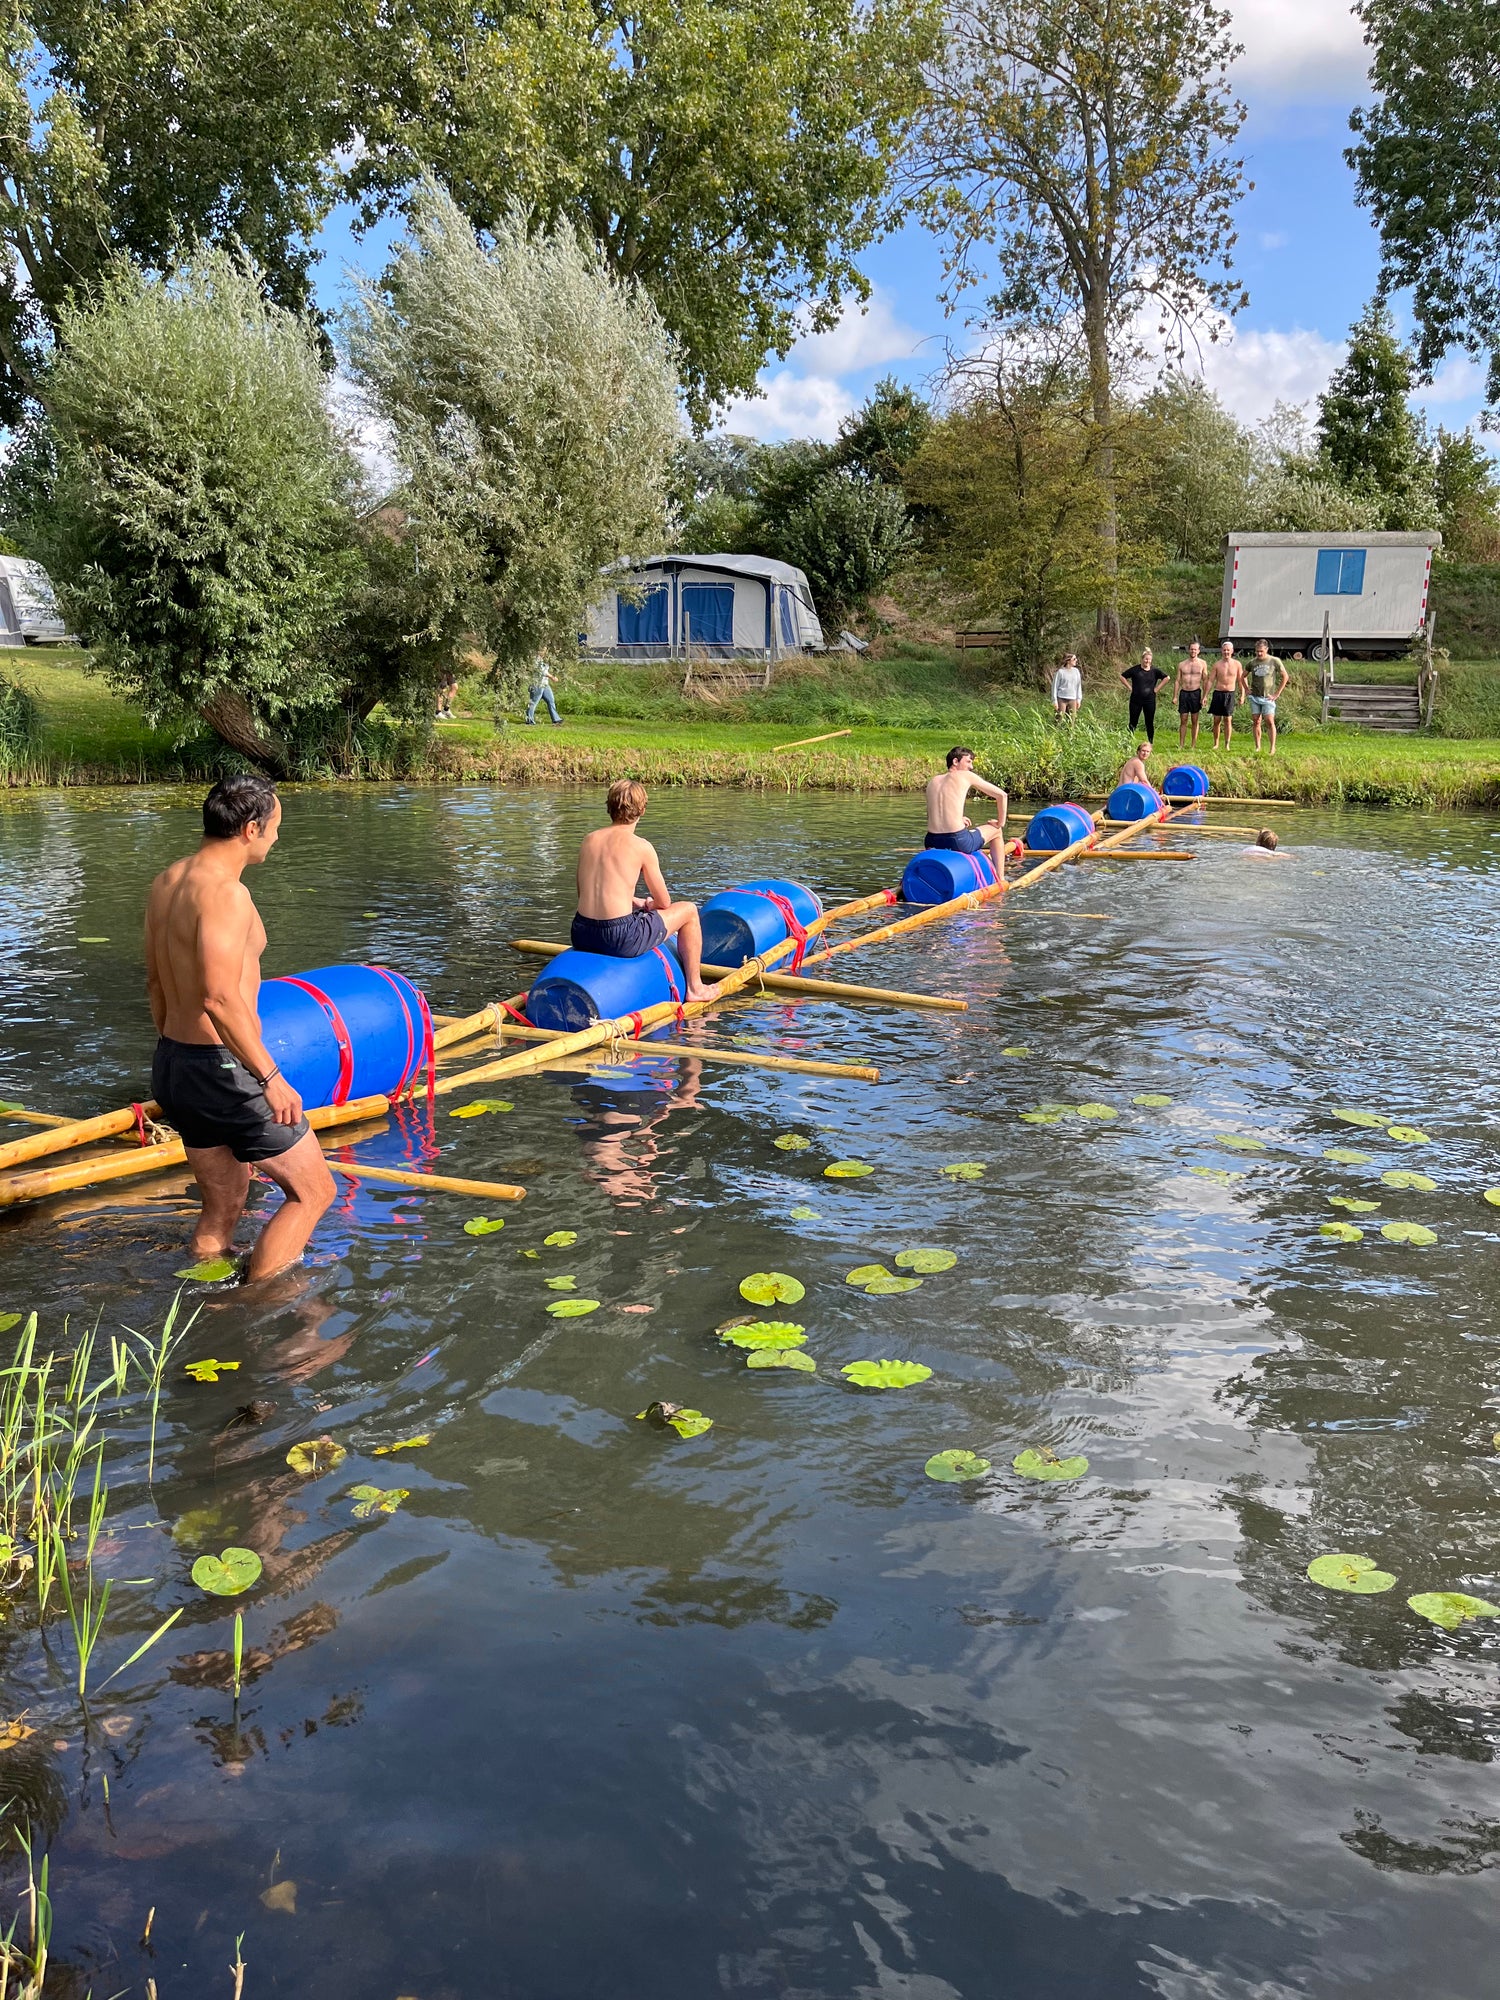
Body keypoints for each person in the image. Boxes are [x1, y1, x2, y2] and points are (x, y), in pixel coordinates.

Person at [143, 776, 335, 1284]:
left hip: (176, 1061)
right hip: (224, 1069)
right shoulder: (226, 894)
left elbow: (156, 983)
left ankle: (212, 1310)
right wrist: (271, 1077)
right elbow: (220, 998)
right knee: (314, 1193)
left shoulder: (168, 882)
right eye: (274, 829)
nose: (276, 839)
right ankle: (260, 1310)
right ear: (251, 829)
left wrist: (178, 1055)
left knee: (224, 1205)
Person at [572, 779, 711, 1001]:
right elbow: (664, 903)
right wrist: (647, 904)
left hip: (581, 933)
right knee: (689, 911)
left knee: (633, 912)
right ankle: (696, 988)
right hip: (620, 939)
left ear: (609, 806)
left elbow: (584, 894)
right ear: (642, 809)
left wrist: (631, 901)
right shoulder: (641, 847)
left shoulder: (589, 840)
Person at [924, 746, 1008, 883]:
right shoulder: (966, 776)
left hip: (931, 841)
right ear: (955, 761)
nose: (971, 767)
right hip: (957, 841)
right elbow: (1002, 795)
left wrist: (958, 819)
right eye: (968, 762)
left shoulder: (933, 781)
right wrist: (1000, 823)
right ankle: (1000, 880)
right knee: (997, 832)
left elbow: (932, 814)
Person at [1246, 640, 1289, 755]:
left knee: (1269, 721)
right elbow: (1242, 676)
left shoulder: (1274, 661)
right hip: (1255, 696)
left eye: (1261, 651)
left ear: (1266, 650)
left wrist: (1277, 693)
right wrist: (1246, 688)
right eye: (1257, 651)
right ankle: (1257, 746)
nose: (1259, 654)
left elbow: (1285, 676)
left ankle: (1272, 747)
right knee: (1256, 721)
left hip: (1268, 697)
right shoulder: (1252, 662)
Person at [1119, 648, 1170, 744]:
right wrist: (1130, 688)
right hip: (1135, 700)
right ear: (1142, 659)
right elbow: (1122, 677)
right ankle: (1128, 741)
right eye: (1146, 659)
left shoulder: (1154, 671)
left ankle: (1150, 742)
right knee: (1133, 721)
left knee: (1149, 722)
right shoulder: (1135, 670)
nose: (1147, 661)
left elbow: (1167, 678)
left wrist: (1157, 689)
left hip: (1149, 700)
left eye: (1149, 659)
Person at [1208, 641, 1244, 750]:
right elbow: (1210, 680)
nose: (1226, 652)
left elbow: (1240, 680)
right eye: (1224, 650)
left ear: (1232, 651)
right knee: (1216, 720)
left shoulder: (1237, 664)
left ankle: (1227, 744)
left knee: (1228, 719)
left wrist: (1242, 695)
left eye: (1228, 650)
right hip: (1218, 693)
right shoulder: (1217, 664)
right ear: (1221, 651)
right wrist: (1205, 695)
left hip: (1230, 693)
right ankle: (1216, 743)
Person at [1175, 641, 1208, 748]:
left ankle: (1193, 745)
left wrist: (1204, 696)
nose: (1193, 651)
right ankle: (1181, 744)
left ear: (1198, 651)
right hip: (1184, 693)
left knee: (1195, 720)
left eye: (1195, 649)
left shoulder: (1202, 663)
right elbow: (1177, 681)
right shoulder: (1182, 664)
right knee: (1183, 719)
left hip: (1196, 693)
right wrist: (1175, 696)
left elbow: (1205, 681)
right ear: (1188, 650)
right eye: (1191, 649)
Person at [526, 657, 562, 726]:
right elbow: (542, 671)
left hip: (545, 684)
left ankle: (556, 719)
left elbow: (546, 670)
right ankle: (529, 720)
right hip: (537, 684)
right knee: (533, 702)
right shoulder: (536, 659)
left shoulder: (545, 659)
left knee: (551, 700)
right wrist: (552, 677)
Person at [1051, 653, 1083, 720]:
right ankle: (1057, 730)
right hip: (1061, 699)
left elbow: (1078, 686)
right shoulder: (1060, 672)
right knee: (1059, 719)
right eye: (1074, 659)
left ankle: (1070, 731)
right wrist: (1054, 701)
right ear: (1068, 661)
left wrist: (1079, 699)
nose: (1076, 660)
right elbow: (1054, 687)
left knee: (1072, 720)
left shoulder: (1076, 671)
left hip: (1072, 699)